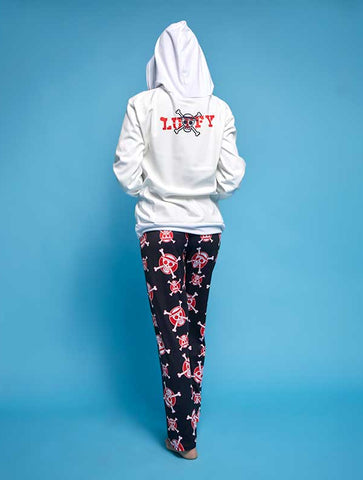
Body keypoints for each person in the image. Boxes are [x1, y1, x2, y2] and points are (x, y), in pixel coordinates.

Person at [113, 20, 246, 460]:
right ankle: (187, 426)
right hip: (207, 229)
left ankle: (183, 436)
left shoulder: (142, 105)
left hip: (160, 227)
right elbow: (231, 177)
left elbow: (126, 173)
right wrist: (201, 187)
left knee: (172, 331)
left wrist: (158, 188)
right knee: (193, 324)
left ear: (158, 60)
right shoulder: (220, 110)